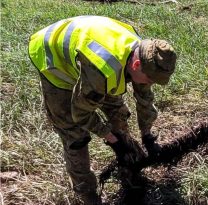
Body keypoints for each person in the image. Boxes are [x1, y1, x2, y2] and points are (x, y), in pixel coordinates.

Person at [28, 16, 177, 205]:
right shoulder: (102, 71)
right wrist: (112, 139)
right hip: (54, 60)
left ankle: (129, 167)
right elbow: (80, 113)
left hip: (93, 61)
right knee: (75, 136)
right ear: (136, 65)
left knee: (119, 113)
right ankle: (88, 193)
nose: (149, 84)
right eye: (149, 79)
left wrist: (147, 134)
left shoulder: (144, 54)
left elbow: (144, 97)